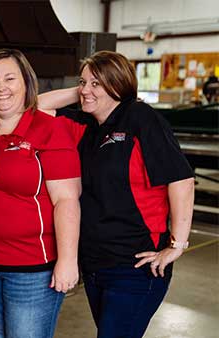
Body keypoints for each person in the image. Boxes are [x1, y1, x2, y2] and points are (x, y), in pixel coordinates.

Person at [40, 50, 195, 338]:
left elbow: (181, 180)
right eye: (83, 82)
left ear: (118, 83)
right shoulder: (85, 126)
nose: (86, 90)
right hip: (96, 264)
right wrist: (87, 89)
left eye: (96, 83)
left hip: (135, 266)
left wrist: (178, 244)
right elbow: (36, 107)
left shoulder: (139, 117)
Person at [0, 49, 81, 338]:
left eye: (10, 78)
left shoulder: (50, 129)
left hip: (31, 268)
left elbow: (66, 199)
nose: (1, 88)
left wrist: (68, 260)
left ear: (26, 83)